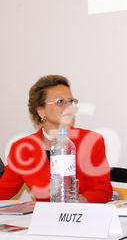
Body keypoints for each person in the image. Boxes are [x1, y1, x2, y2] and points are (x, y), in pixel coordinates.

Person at [0, 75, 112, 203]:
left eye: (71, 101)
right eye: (60, 102)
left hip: (81, 219)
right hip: (44, 221)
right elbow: (2, 192)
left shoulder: (91, 141)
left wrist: (78, 201)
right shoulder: (23, 149)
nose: (69, 107)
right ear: (41, 111)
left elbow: (103, 191)